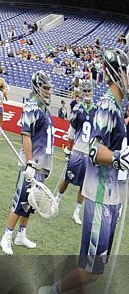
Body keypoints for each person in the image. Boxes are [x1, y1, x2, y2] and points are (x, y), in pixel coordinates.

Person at [37, 49, 128, 294]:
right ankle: (49, 293)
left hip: (113, 198)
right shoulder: (106, 106)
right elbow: (93, 150)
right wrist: (118, 159)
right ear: (118, 72)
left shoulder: (117, 107)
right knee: (91, 269)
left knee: (93, 268)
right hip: (100, 196)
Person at [0, 70, 54, 255]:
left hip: (41, 165)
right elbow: (26, 135)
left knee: (31, 204)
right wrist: (30, 162)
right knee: (20, 201)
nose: (48, 91)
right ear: (37, 87)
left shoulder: (45, 109)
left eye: (49, 88)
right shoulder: (31, 107)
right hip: (31, 165)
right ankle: (6, 236)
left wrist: (47, 165)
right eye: (45, 88)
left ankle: (21, 235)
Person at [56, 84, 95, 224]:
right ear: (81, 93)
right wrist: (68, 149)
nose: (87, 93)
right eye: (84, 91)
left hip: (89, 153)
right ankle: (56, 201)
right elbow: (71, 133)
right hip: (78, 151)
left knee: (84, 185)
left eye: (89, 90)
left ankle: (76, 212)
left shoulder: (97, 110)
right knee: (67, 178)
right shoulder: (78, 109)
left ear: (92, 91)